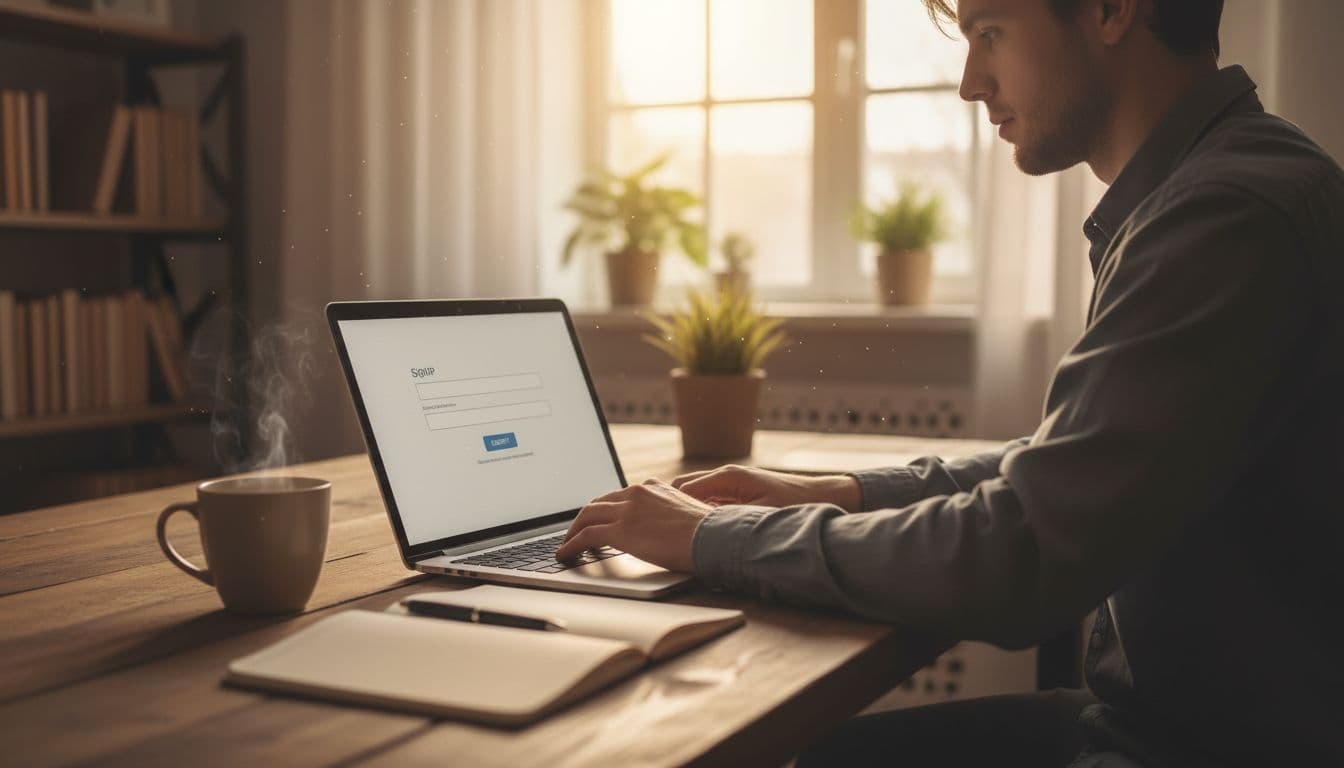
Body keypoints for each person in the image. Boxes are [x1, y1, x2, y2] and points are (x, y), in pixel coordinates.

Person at [555, 0, 1344, 764]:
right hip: (1176, 722)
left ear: (1111, 9)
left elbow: (1025, 549)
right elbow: (1065, 469)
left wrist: (703, 538)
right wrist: (836, 493)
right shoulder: (1218, 188)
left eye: (990, 32)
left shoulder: (1223, 216)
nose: (970, 81)